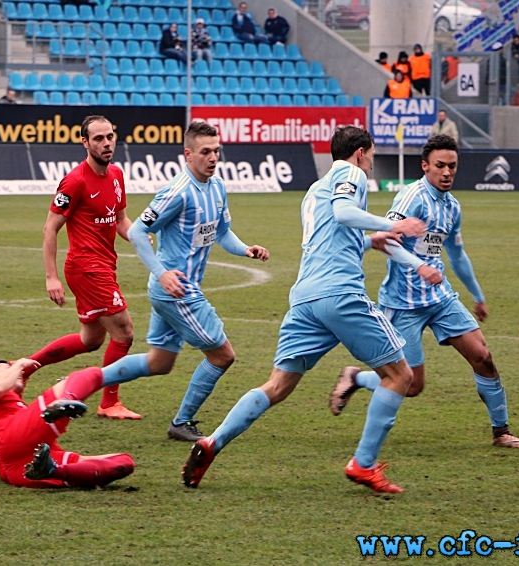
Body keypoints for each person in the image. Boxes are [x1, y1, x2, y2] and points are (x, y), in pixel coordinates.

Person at [180, 126, 435, 493]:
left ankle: (212, 442)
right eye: (372, 156)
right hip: (340, 293)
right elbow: (345, 213)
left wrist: (369, 240)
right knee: (401, 376)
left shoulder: (314, 190)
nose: (372, 162)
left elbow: (330, 236)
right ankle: (363, 465)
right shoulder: (351, 173)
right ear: (361, 153)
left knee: (277, 385)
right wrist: (393, 224)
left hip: (305, 297)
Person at [333, 134, 519, 452]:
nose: (446, 172)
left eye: (452, 166)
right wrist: (418, 267)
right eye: (440, 165)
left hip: (440, 298)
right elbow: (388, 239)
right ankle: (356, 378)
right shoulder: (411, 197)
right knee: (411, 385)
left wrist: (477, 294)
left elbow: (456, 254)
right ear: (425, 166)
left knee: (483, 358)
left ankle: (502, 432)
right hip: (403, 303)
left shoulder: (452, 207)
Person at [83, 121, 270, 442]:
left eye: (216, 151)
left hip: (177, 291)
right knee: (223, 355)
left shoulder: (218, 187)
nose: (213, 158)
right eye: (205, 152)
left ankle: (78, 384)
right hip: (177, 292)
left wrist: (245, 249)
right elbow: (139, 231)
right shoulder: (178, 192)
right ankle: (182, 422)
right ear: (188, 154)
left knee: (159, 362)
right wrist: (162, 273)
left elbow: (222, 233)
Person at [34, 116, 141, 420]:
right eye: (98, 139)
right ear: (85, 142)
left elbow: (121, 221)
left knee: (91, 340)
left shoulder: (117, 176)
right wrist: (51, 276)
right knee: (124, 333)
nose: (106, 143)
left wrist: (142, 238)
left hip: (105, 265)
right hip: (86, 268)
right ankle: (109, 402)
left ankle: (26, 366)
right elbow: (50, 228)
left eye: (110, 137)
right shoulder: (75, 181)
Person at [0, 359, 135, 489]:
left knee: (124, 462)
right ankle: (66, 399)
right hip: (10, 438)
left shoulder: (5, 408)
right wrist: (18, 365)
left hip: (21, 468)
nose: (17, 371)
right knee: (89, 375)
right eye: (7, 368)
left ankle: (52, 470)